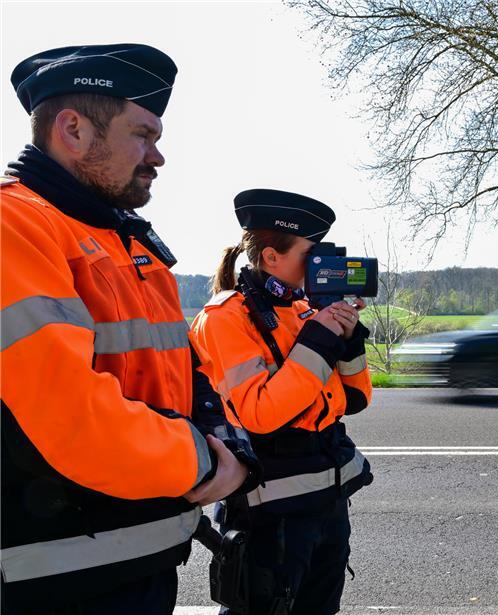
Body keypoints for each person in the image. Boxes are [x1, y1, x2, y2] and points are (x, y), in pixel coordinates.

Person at [0, 44, 256, 615]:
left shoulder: (129, 240)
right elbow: (71, 413)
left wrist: (225, 429)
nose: (158, 156)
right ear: (73, 130)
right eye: (142, 135)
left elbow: (185, 368)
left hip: (140, 560)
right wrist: (210, 462)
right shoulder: (13, 225)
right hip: (54, 580)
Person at [189, 188, 374, 615]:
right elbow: (261, 414)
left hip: (326, 504)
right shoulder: (225, 319)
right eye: (312, 254)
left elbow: (356, 399)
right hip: (270, 516)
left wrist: (346, 339)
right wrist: (319, 340)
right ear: (271, 257)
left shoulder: (307, 310)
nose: (322, 264)